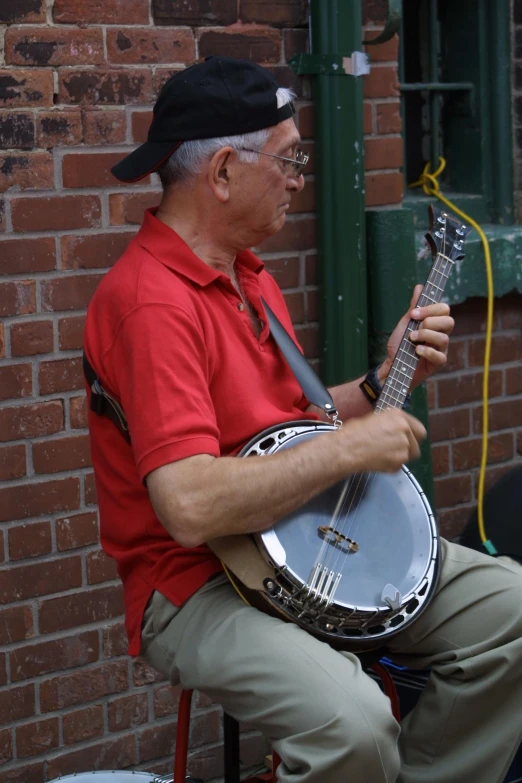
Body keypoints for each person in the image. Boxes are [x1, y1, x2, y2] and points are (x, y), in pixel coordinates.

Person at [84, 57, 522, 783]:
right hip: (199, 581)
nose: (298, 178)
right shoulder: (150, 304)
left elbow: (290, 429)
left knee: (511, 612)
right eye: (288, 160)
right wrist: (350, 449)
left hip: (308, 538)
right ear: (223, 171)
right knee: (353, 727)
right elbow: (188, 504)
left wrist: (382, 381)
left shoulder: (246, 272)